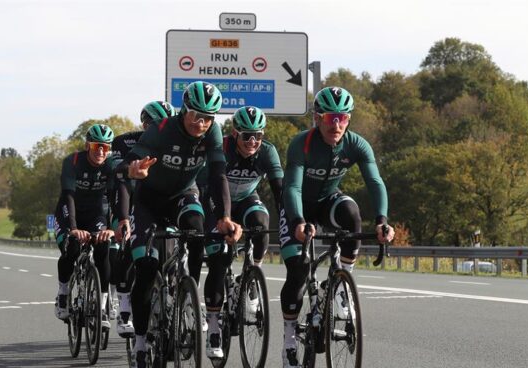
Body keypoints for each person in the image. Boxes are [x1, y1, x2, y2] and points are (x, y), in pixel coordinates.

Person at [113, 81, 242, 368]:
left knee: (197, 229)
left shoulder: (213, 132)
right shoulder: (163, 130)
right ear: (184, 110)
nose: (202, 122)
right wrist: (133, 168)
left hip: (183, 195)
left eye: (208, 117)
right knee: (147, 267)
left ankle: (188, 295)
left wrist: (224, 216)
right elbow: (131, 159)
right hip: (148, 202)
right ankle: (143, 341)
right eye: (196, 115)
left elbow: (219, 174)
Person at [278, 87, 395, 367]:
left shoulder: (357, 145)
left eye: (342, 117)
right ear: (317, 118)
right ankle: (289, 338)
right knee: (298, 269)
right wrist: (297, 221)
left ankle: (342, 285)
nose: (336, 124)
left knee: (352, 214)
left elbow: (375, 183)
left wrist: (382, 221)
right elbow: (292, 186)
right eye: (330, 117)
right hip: (298, 206)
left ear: (349, 119)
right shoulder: (301, 144)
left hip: (328, 200)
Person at [198, 105, 283, 358]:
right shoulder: (221, 149)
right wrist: (222, 218)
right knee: (219, 261)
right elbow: (213, 184)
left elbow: (280, 189)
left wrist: (290, 217)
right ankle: (213, 326)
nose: (253, 141)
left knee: (260, 223)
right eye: (247, 136)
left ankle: (252, 273)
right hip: (214, 200)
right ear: (235, 134)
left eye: (258, 135)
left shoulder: (267, 152)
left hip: (246, 199)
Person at [108, 101, 176, 337]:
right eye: (156, 125)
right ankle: (125, 303)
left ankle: (175, 294)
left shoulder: (174, 141)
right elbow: (121, 181)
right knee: (126, 243)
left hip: (157, 200)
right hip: (127, 195)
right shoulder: (124, 142)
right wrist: (122, 218)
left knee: (170, 248)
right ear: (145, 124)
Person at [54, 124, 116, 332]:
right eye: (97, 146)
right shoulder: (72, 162)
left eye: (106, 148)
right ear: (88, 145)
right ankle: (63, 293)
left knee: (103, 247)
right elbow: (68, 196)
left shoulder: (110, 166)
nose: (101, 151)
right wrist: (73, 228)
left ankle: (103, 305)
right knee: (71, 248)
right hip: (69, 211)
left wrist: (110, 227)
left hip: (95, 214)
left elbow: (116, 198)